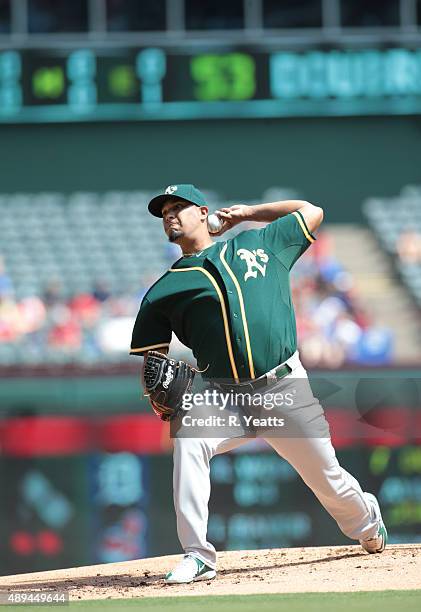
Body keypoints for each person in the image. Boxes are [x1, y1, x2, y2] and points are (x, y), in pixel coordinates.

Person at [130, 184, 387, 584]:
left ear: (204, 212)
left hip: (283, 387)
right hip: (222, 394)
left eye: (178, 207)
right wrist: (159, 394)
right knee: (188, 441)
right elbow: (152, 359)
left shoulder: (259, 244)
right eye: (164, 212)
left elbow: (312, 209)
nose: (170, 215)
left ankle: (368, 522)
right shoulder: (165, 290)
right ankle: (198, 555)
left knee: (329, 481)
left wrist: (249, 212)